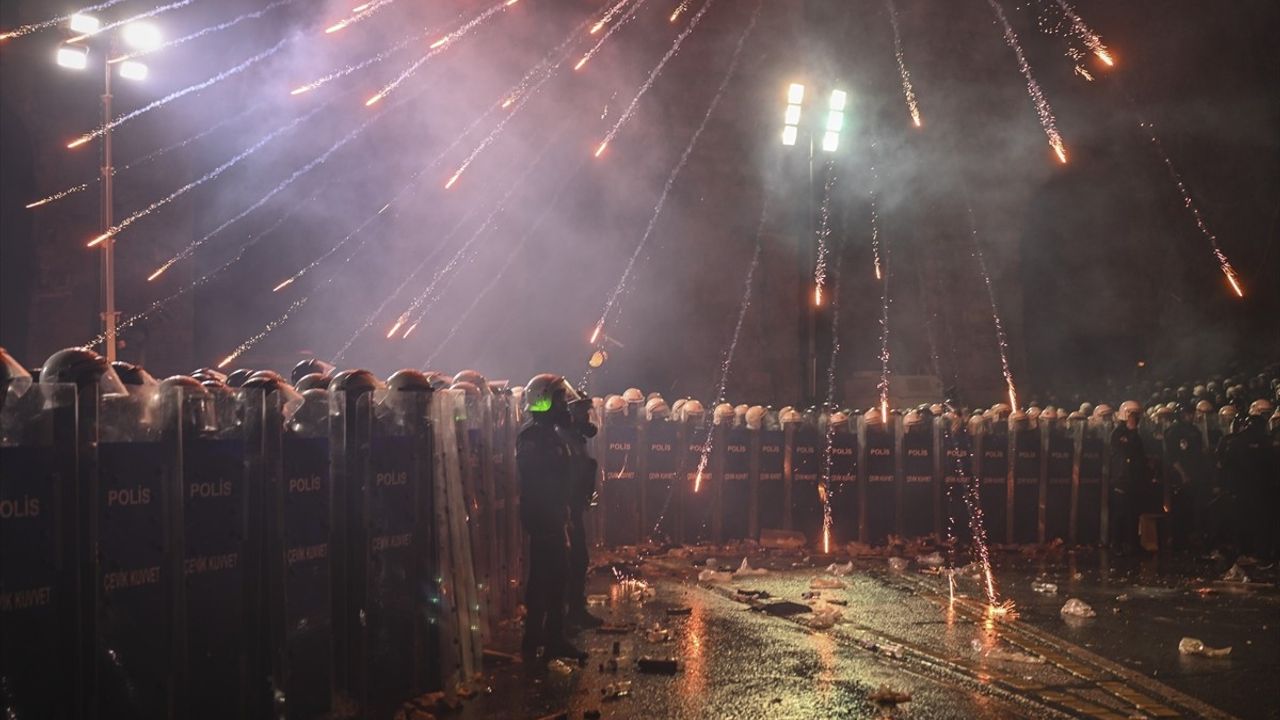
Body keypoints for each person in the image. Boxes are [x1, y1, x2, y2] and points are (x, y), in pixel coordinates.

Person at [517, 374, 586, 664]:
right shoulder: (532, 437)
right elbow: (537, 481)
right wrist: (554, 511)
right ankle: (539, 639)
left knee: (557, 577)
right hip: (543, 518)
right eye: (558, 399)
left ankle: (548, 637)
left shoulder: (550, 435)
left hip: (554, 515)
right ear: (543, 400)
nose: (564, 405)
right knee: (548, 577)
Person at [560, 390, 604, 630]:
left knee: (579, 560)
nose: (587, 417)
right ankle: (568, 615)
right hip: (565, 512)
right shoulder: (564, 438)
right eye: (582, 412)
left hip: (574, 509)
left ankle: (575, 610)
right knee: (570, 562)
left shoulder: (574, 439)